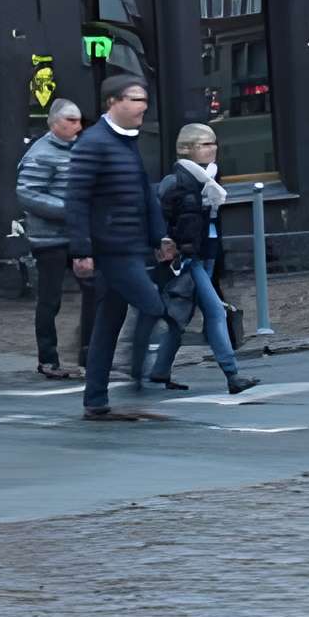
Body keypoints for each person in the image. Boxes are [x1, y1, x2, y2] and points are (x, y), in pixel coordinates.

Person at [67, 76, 177, 423]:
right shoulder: (93, 143)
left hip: (131, 245)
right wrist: (81, 250)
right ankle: (139, 364)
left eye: (145, 99)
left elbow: (145, 194)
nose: (143, 106)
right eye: (135, 99)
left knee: (108, 323)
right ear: (113, 101)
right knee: (155, 304)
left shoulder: (127, 141)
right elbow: (76, 198)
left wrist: (159, 238)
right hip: (111, 247)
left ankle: (95, 400)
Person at [138, 122, 260, 396]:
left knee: (181, 316)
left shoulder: (210, 180)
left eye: (213, 143)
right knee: (215, 312)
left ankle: (159, 371)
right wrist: (170, 248)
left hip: (206, 254)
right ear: (187, 149)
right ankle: (232, 375)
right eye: (205, 144)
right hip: (186, 259)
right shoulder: (178, 182)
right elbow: (160, 222)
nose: (212, 148)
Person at [15, 100, 87, 379]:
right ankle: (48, 358)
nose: (77, 126)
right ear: (54, 123)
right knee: (50, 299)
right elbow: (28, 193)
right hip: (49, 238)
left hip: (78, 234)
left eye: (78, 120)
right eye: (70, 120)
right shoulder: (40, 154)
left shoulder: (79, 149)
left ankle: (87, 353)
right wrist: (68, 209)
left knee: (95, 291)